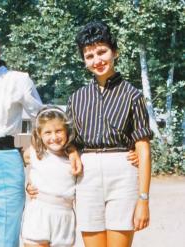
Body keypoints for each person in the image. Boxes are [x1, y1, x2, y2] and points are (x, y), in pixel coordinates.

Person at [0, 23, 82, 247]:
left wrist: (69, 149)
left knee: (5, 236)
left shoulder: (18, 81)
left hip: (5, 160)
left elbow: (45, 119)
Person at [68, 20, 153, 247]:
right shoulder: (76, 98)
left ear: (114, 51)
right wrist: (72, 152)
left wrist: (143, 199)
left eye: (102, 52)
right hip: (88, 175)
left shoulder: (132, 96)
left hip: (123, 173)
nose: (97, 60)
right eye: (89, 56)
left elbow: (143, 149)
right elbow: (67, 141)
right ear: (84, 61)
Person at [21, 106, 77, 247]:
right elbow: (14, 167)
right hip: (39, 212)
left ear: (67, 131)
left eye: (59, 131)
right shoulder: (33, 152)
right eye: (47, 132)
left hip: (64, 215)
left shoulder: (74, 158)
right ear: (39, 134)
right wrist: (27, 184)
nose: (54, 137)